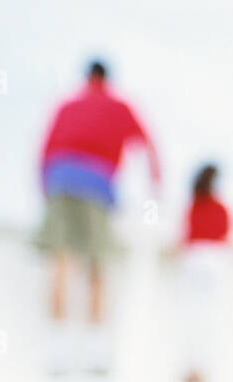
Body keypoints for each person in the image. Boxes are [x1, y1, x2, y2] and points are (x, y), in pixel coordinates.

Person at [37, 60, 160, 327]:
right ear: (107, 79)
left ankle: (56, 336)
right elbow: (148, 144)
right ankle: (95, 335)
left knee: (61, 255)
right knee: (98, 259)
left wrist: (45, 189)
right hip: (97, 183)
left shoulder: (67, 105)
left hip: (60, 178)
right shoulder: (120, 106)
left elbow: (45, 148)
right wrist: (155, 182)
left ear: (86, 77)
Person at [179, 163, 232, 382]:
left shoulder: (193, 206)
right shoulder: (220, 208)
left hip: (194, 260)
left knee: (193, 313)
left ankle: (193, 366)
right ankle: (201, 368)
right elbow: (226, 232)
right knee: (209, 314)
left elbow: (185, 236)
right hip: (214, 261)